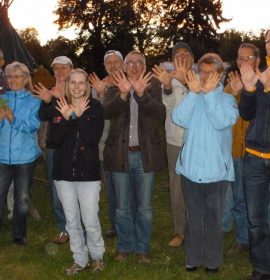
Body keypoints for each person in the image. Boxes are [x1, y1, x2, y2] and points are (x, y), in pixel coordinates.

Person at [172, 53, 239, 273]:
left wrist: (209, 95)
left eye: (211, 73)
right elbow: (179, 119)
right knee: (193, 217)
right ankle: (192, 259)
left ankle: (212, 262)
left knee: (213, 218)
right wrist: (194, 94)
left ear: (220, 75)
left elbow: (222, 121)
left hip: (216, 173)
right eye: (202, 72)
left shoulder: (227, 100)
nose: (205, 77)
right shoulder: (192, 96)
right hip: (190, 170)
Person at [103, 50, 166, 263]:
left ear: (145, 66)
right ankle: (124, 246)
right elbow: (106, 113)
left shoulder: (153, 86)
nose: (134, 66)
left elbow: (160, 114)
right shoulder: (114, 86)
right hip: (120, 154)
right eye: (130, 62)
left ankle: (143, 248)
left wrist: (141, 95)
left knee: (145, 207)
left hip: (144, 154)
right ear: (124, 66)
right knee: (122, 207)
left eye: (139, 62)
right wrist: (122, 95)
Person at [48, 68, 105, 274]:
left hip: (88, 174)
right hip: (63, 175)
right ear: (67, 84)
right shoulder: (59, 106)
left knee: (90, 219)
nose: (77, 86)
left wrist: (78, 117)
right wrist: (66, 118)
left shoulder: (95, 107)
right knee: (72, 221)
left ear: (87, 86)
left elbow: (92, 138)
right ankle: (79, 259)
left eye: (81, 83)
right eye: (73, 82)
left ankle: (97, 256)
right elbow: (54, 140)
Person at [152, 42, 195, 247]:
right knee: (177, 187)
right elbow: (167, 104)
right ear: (172, 60)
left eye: (187, 53)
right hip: (176, 142)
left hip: (199, 143)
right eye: (178, 55)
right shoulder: (167, 80)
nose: (183, 57)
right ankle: (180, 231)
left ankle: (198, 229)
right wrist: (170, 85)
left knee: (198, 187)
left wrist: (187, 83)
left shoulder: (202, 77)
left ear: (193, 58)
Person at [223, 43, 261, 254]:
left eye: (248, 58)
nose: (243, 61)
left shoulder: (263, 81)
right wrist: (232, 92)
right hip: (236, 152)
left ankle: (260, 241)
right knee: (239, 197)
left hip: (258, 152)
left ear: (257, 60)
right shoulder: (231, 85)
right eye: (240, 57)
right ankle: (243, 239)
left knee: (261, 201)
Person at [239, 30, 270, 280]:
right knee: (256, 218)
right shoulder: (255, 76)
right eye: (269, 40)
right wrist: (249, 90)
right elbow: (246, 114)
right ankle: (262, 267)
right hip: (254, 156)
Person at [0, 61, 41, 246]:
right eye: (9, 76)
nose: (12, 79)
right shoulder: (2, 99)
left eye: (16, 76)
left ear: (26, 79)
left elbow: (33, 126)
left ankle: (19, 235)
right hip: (2, 157)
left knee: (21, 197)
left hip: (25, 158)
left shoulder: (34, 101)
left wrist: (12, 119)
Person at [34, 56, 73, 244]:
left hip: (75, 148)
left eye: (63, 68)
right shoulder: (51, 91)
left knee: (76, 189)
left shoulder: (79, 89)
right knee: (56, 190)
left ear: (71, 69)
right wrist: (49, 101)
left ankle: (78, 226)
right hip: (53, 149)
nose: (59, 72)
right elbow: (43, 115)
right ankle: (63, 228)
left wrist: (63, 97)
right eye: (56, 69)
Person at [89, 50, 124, 238]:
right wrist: (100, 94)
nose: (112, 65)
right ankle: (114, 224)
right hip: (104, 144)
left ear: (123, 64)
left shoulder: (128, 84)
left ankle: (127, 222)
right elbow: (96, 115)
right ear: (104, 66)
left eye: (116, 62)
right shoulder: (98, 86)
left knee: (125, 188)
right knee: (110, 188)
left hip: (123, 143)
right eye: (108, 62)